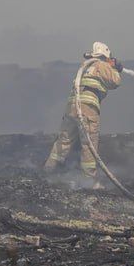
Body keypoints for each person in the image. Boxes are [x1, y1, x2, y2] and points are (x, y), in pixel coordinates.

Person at [43, 42, 123, 180]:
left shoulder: (85, 66)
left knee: (64, 140)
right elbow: (115, 82)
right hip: (87, 109)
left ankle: (48, 170)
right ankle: (89, 180)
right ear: (106, 55)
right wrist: (115, 68)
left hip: (72, 107)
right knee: (89, 143)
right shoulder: (101, 65)